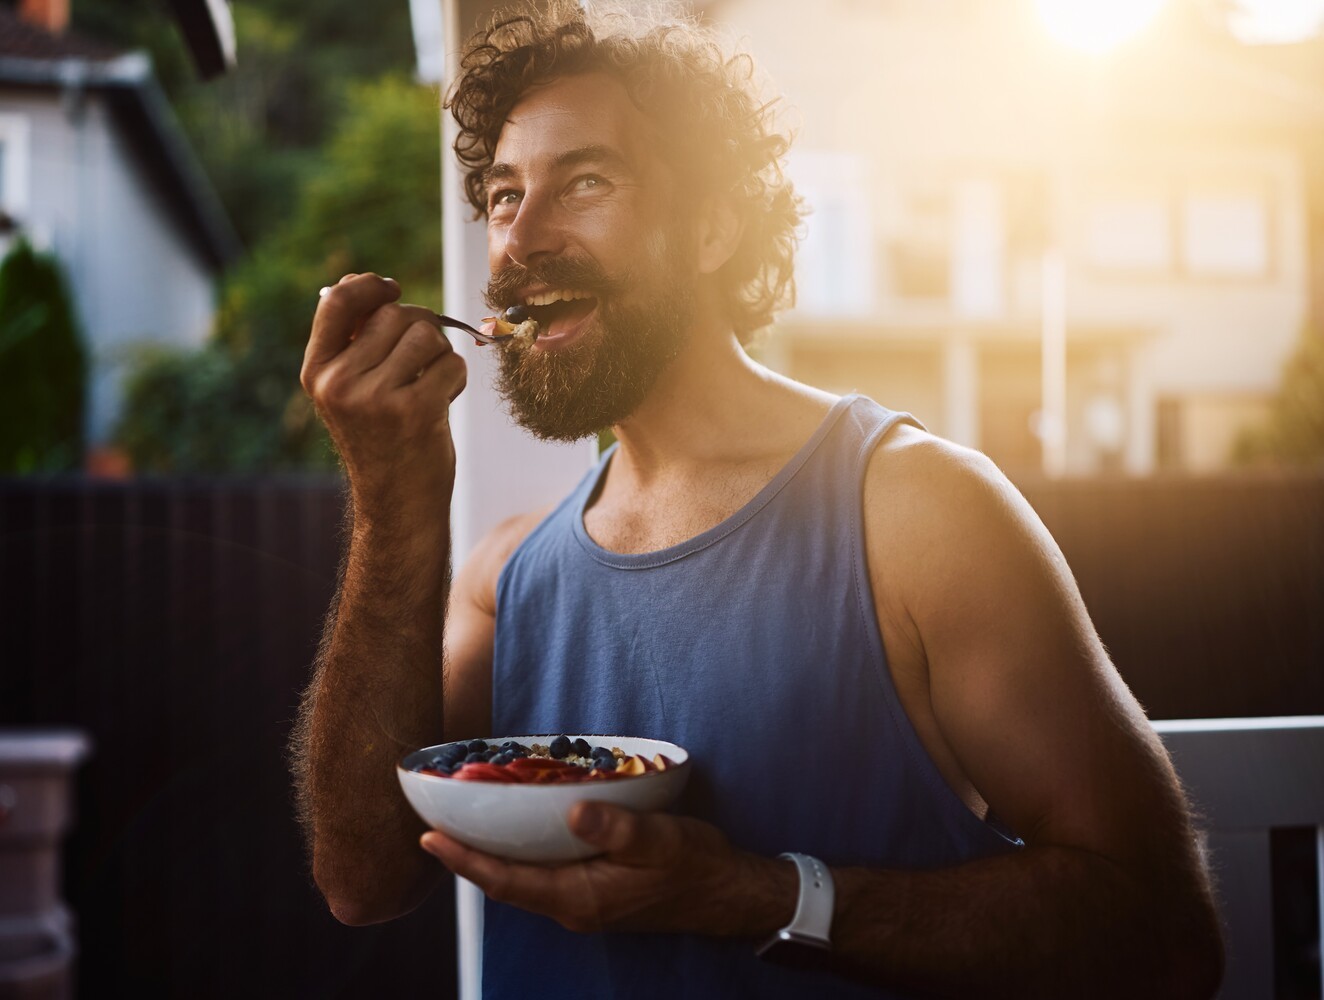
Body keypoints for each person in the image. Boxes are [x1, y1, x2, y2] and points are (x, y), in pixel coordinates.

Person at [291, 3, 1223, 996]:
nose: (520, 240)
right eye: (506, 195)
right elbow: (362, 881)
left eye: (587, 182)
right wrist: (394, 509)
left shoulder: (917, 513)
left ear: (712, 227)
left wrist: (751, 894)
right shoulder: (503, 579)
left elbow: (1160, 933)